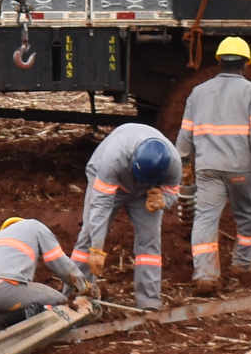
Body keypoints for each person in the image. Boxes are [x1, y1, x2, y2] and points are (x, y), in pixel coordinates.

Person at [179, 38, 251, 287]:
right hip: (239, 168)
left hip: (207, 169)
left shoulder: (197, 92)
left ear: (219, 61)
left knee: (205, 219)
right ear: (246, 64)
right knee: (246, 216)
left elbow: (185, 135)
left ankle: (205, 275)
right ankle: (242, 266)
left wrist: (185, 164)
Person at [76, 122, 180, 311]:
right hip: (109, 184)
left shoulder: (173, 162)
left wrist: (163, 200)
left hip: (144, 193)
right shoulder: (114, 159)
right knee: (88, 236)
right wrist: (97, 250)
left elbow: (173, 190)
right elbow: (101, 206)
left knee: (150, 240)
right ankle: (75, 295)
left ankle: (149, 302)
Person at [0, 216, 90, 331]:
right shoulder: (36, 227)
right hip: (1, 290)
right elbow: (60, 263)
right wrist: (84, 287)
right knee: (59, 301)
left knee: (10, 297)